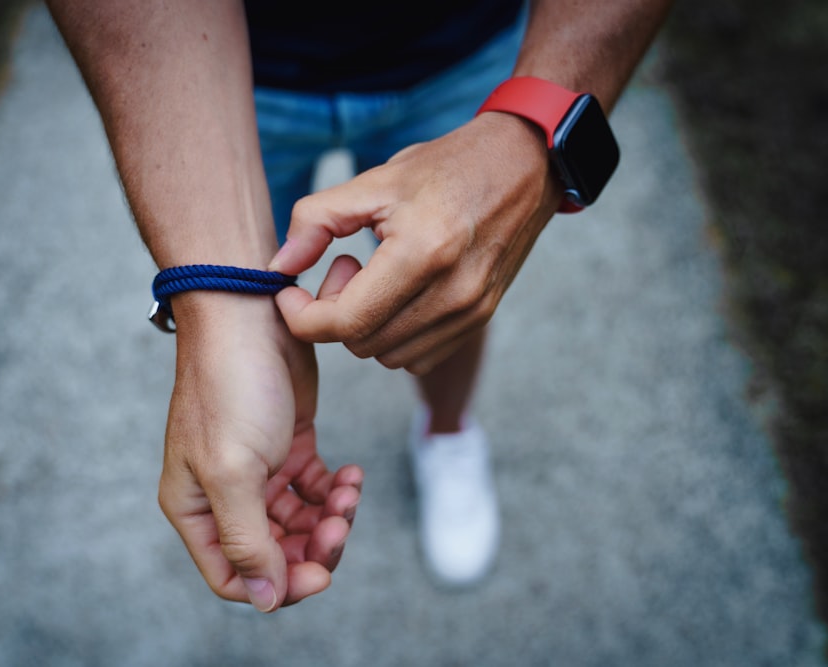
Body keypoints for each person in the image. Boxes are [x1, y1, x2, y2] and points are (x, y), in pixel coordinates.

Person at [45, 0, 672, 612]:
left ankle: (448, 433)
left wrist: (532, 132)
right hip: (223, 77)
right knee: (249, 305)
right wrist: (215, 322)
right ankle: (430, 428)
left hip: (464, 51)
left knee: (448, 286)